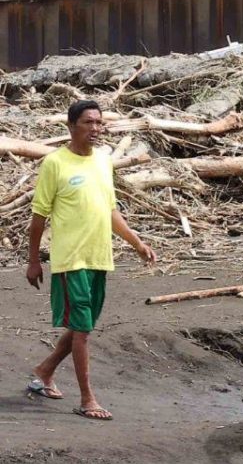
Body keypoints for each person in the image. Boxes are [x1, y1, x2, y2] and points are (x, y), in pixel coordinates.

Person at [23, 100, 155, 421]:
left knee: (83, 326)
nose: (95, 128)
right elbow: (38, 218)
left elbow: (110, 212)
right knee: (82, 331)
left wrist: (137, 243)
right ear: (71, 126)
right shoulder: (55, 163)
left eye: (99, 123)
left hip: (99, 257)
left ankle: (43, 372)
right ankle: (87, 400)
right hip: (71, 259)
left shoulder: (103, 161)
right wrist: (33, 261)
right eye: (88, 122)